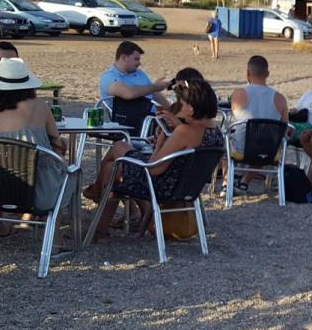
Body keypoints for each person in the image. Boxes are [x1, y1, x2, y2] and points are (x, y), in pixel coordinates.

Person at [84, 78, 223, 241]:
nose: (178, 107)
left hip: (161, 187)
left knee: (116, 154)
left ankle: (98, 202)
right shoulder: (215, 131)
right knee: (115, 164)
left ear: (191, 109)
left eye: (182, 104)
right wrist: (176, 128)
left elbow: (154, 169)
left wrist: (162, 140)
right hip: (186, 187)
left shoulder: (185, 131)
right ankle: (100, 229)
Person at [0, 57, 69, 213]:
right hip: (41, 195)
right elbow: (57, 144)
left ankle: (1, 226)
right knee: (68, 172)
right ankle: (53, 235)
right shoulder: (40, 106)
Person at [229, 55, 289, 192]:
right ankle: (245, 181)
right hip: (269, 152)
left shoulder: (239, 93)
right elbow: (284, 127)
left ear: (247, 73)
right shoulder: (280, 98)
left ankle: (227, 181)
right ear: (267, 74)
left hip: (241, 150)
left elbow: (234, 118)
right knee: (264, 142)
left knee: (225, 140)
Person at [99, 40, 169, 131]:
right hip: (131, 122)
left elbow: (154, 94)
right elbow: (128, 93)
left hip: (152, 119)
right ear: (124, 58)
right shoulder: (109, 76)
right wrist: (154, 87)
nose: (139, 63)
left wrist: (171, 111)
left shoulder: (139, 74)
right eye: (136, 59)